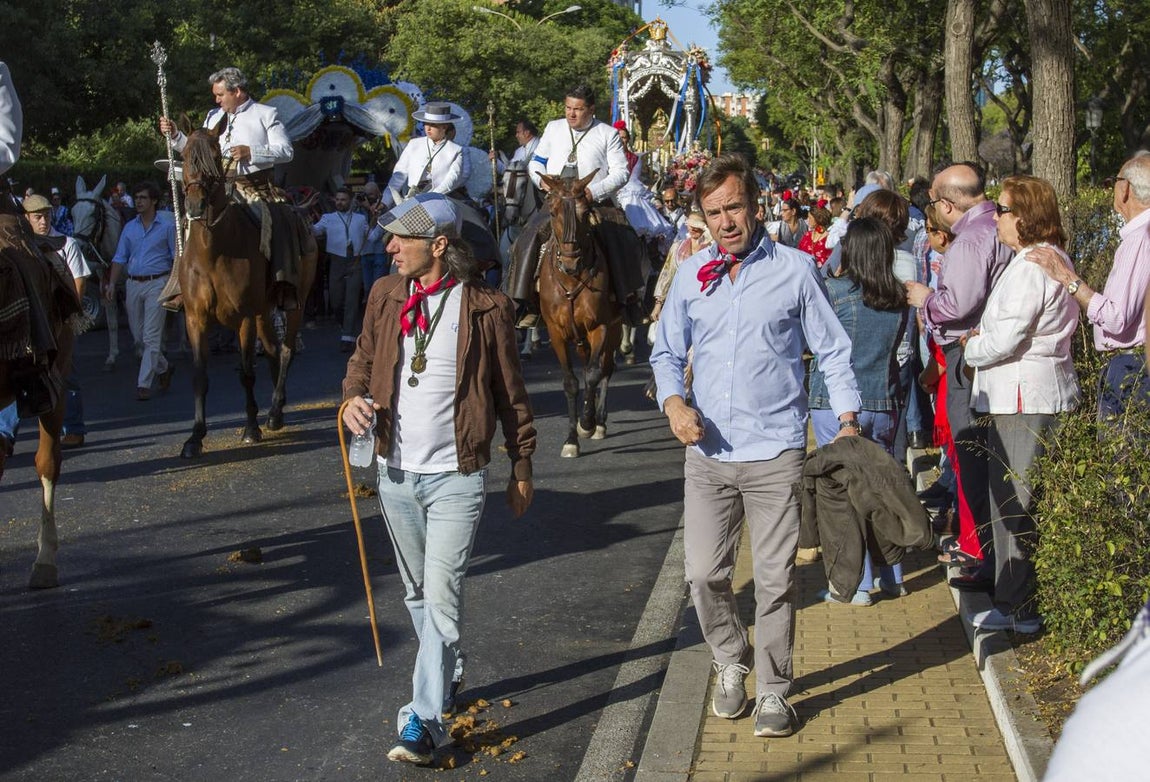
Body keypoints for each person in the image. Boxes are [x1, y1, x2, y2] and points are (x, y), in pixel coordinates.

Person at [650, 154, 861, 739]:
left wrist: (846, 418)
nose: (726, 221)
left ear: (755, 205)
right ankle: (728, 657)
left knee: (774, 580)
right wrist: (673, 404)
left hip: (775, 451)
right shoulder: (693, 275)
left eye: (735, 207)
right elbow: (665, 353)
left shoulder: (795, 270)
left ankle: (773, 689)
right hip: (708, 454)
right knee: (703, 575)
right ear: (703, 216)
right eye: (714, 212)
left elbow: (832, 348)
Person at [341, 193, 535, 767]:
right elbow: (360, 360)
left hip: (457, 475)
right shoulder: (384, 294)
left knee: (443, 599)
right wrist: (352, 398)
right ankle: (447, 667)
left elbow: (511, 395)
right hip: (395, 471)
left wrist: (521, 463)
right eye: (390, 237)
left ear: (439, 245)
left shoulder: (486, 307)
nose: (390, 246)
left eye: (401, 238)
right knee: (417, 593)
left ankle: (423, 720)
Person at [961, 175, 1079, 632]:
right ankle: (1018, 602)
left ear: (1025, 216)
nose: (997, 220)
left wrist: (972, 348)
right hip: (1030, 391)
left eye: (1004, 211)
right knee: (1019, 500)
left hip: (1023, 394)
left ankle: (1017, 607)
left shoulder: (1031, 265)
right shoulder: (1040, 261)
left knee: (1015, 503)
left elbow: (1007, 337)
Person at [905, 161, 1012, 593]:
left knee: (972, 457)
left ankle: (981, 553)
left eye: (933, 203)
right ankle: (984, 551)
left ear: (946, 204)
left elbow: (957, 305)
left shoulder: (970, 240)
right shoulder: (995, 227)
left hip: (968, 354)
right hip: (985, 352)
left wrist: (927, 299)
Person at [808, 217, 908, 603]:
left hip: (834, 401)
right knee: (882, 490)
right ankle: (892, 573)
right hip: (883, 400)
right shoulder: (899, 297)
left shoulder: (833, 292)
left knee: (843, 498)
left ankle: (856, 583)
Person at [159, 66, 298, 310]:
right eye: (216, 95)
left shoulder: (265, 114)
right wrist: (176, 135)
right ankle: (181, 287)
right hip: (217, 188)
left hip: (253, 187)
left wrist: (252, 152)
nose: (216, 100)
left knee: (280, 218)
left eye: (221, 94)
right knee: (188, 222)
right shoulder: (212, 117)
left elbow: (286, 151)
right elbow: (195, 151)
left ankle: (281, 286)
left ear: (238, 91)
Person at [1027, 152, 1150, 424]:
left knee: (1122, 458)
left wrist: (1068, 278)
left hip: (1131, 367)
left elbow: (1116, 318)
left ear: (1126, 189)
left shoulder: (1140, 239)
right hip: (1134, 365)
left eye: (1114, 181)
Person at [509, 84, 647, 327]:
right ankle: (523, 301)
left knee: (620, 237)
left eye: (578, 109)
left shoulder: (607, 133)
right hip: (558, 200)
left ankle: (627, 299)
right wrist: (542, 181)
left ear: (591, 109)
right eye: (568, 108)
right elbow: (537, 162)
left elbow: (621, 172)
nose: (571, 114)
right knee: (527, 237)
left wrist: (593, 192)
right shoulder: (553, 128)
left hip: (594, 202)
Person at [24, 194, 90, 446]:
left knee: (66, 372)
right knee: (17, 371)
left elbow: (80, 279)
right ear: (27, 218)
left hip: (60, 320)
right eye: (37, 217)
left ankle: (73, 428)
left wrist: (70, 314)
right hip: (30, 321)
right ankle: (6, 434)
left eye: (47, 216)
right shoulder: (22, 245)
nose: (43, 221)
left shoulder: (67, 244)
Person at [105, 181, 177, 401]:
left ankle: (143, 384)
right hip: (133, 283)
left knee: (151, 336)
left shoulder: (167, 227)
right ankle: (163, 368)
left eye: (143, 197)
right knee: (139, 338)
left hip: (158, 282)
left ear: (154, 201)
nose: (138, 201)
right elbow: (119, 257)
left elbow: (177, 259)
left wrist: (176, 286)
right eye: (136, 197)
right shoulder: (130, 227)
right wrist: (111, 283)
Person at [313, 187, 369, 352]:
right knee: (336, 300)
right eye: (337, 199)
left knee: (352, 300)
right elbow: (315, 231)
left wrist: (380, 225)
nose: (340, 202)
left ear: (350, 201)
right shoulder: (327, 218)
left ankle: (348, 336)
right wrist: (305, 221)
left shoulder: (360, 219)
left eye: (343, 199)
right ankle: (343, 324)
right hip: (336, 261)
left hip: (355, 260)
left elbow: (372, 236)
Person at [383, 102, 467, 208]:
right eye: (426, 124)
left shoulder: (456, 150)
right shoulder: (414, 144)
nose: (428, 128)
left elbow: (451, 181)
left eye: (433, 125)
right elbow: (398, 176)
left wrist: (429, 198)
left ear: (444, 127)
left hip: (439, 200)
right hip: (410, 198)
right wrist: (384, 201)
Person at [358, 182, 389, 292]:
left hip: (379, 252)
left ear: (378, 194)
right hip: (364, 252)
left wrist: (377, 209)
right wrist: (363, 206)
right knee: (367, 288)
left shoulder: (383, 207)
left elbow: (378, 232)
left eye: (370, 194)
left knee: (378, 287)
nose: (368, 197)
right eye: (365, 194)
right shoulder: (359, 208)